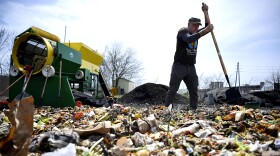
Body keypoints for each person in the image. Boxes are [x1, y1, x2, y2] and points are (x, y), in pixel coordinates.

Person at [165, 3, 214, 110]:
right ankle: (166, 110)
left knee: (193, 90)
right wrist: (205, 31)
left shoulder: (196, 32)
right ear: (189, 24)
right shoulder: (183, 31)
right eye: (194, 25)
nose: (196, 27)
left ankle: (193, 110)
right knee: (173, 89)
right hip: (179, 66)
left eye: (197, 26)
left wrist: (205, 12)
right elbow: (189, 39)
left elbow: (207, 27)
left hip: (191, 67)